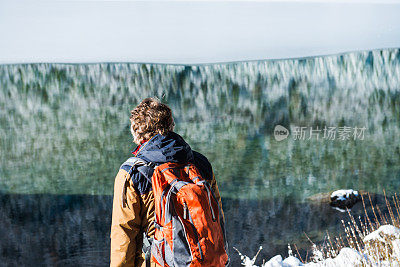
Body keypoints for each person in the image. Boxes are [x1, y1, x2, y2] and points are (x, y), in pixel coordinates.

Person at [110, 98, 226, 267]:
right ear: (170, 126)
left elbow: (124, 238)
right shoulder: (200, 164)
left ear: (137, 133)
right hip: (201, 261)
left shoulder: (132, 173)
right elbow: (218, 219)